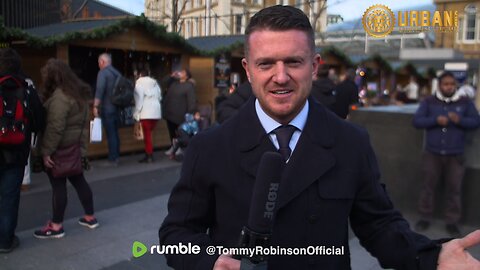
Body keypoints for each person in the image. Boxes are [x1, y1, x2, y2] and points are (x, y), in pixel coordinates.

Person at [159, 5, 480, 270]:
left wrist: (432, 257)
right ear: (248, 70)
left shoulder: (350, 141)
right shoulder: (210, 146)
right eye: (267, 63)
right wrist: (209, 260)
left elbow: (379, 226)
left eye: (293, 62)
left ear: (314, 66)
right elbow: (176, 235)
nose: (280, 76)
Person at [33, 59, 98, 239]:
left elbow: (55, 127)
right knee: (79, 181)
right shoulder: (78, 94)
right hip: (74, 147)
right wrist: (82, 149)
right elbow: (82, 126)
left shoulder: (60, 98)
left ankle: (56, 226)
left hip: (59, 149)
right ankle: (90, 217)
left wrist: (46, 151)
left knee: (58, 185)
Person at [413, 71, 480, 238]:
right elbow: (417, 121)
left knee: (454, 189)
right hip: (432, 152)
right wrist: (435, 120)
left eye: (452, 84)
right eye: (446, 84)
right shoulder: (429, 101)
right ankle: (424, 217)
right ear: (440, 85)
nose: (449, 87)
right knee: (428, 187)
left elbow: (475, 121)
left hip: (455, 154)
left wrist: (459, 120)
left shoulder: (465, 102)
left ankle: (452, 222)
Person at [0, 48, 45, 253]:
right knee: (10, 197)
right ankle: (6, 240)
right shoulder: (26, 88)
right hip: (17, 152)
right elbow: (39, 120)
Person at [93, 53, 121, 166]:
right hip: (117, 107)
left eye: (99, 62)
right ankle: (116, 156)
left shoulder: (103, 73)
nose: (99, 65)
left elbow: (100, 90)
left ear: (102, 62)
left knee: (111, 134)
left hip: (107, 107)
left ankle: (112, 158)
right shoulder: (117, 73)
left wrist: (95, 106)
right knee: (115, 133)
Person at [162, 69, 196, 156]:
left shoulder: (189, 86)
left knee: (179, 132)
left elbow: (191, 101)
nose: (180, 73)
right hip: (170, 111)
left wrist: (190, 113)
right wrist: (171, 75)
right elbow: (163, 82)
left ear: (187, 76)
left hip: (180, 113)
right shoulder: (174, 83)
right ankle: (173, 146)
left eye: (183, 72)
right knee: (171, 131)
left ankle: (179, 148)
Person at [133, 69, 162, 163]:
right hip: (156, 111)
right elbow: (160, 96)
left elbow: (139, 100)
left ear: (140, 75)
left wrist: (136, 113)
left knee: (147, 135)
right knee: (149, 134)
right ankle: (148, 153)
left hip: (145, 112)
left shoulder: (139, 84)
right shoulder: (155, 84)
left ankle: (149, 155)